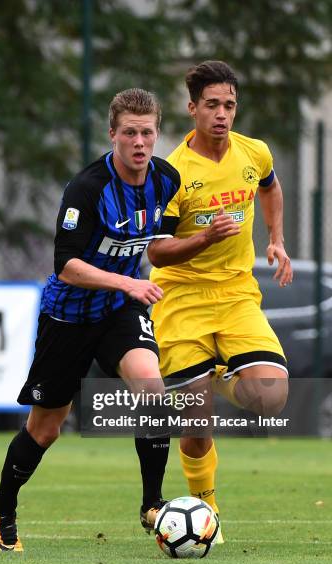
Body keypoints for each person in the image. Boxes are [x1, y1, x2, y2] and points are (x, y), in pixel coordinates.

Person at [0, 88, 180, 552]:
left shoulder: (166, 179)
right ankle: (3, 506)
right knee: (46, 428)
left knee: (152, 390)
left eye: (147, 133)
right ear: (112, 134)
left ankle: (152, 505)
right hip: (69, 314)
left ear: (156, 134)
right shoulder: (87, 188)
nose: (139, 142)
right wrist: (128, 282)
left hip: (118, 312)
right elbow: (65, 265)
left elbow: (159, 238)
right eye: (129, 132)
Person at [144, 60, 293, 536]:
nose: (222, 113)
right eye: (212, 105)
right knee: (195, 424)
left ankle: (222, 374)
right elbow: (157, 250)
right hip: (182, 298)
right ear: (192, 109)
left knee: (271, 397)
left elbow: (269, 188)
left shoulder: (254, 153)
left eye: (229, 104)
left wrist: (277, 239)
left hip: (235, 294)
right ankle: (207, 513)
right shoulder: (170, 173)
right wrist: (204, 240)